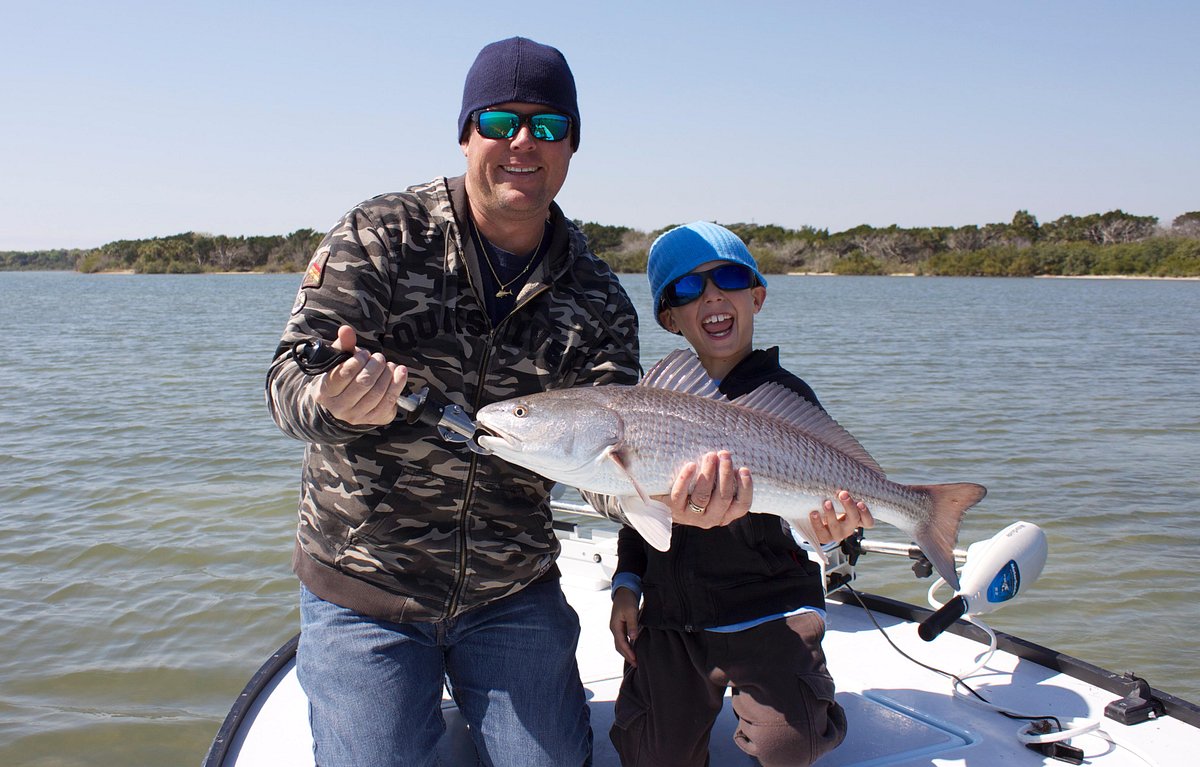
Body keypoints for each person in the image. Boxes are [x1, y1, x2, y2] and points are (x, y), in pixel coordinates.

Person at [264, 37, 641, 767]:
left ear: (571, 148)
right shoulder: (380, 235)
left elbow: (610, 476)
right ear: (467, 133)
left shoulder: (598, 296)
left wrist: (673, 499)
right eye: (500, 122)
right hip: (364, 582)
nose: (523, 142)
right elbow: (285, 384)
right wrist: (337, 401)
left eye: (549, 126)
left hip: (512, 589)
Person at [606, 221, 874, 767]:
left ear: (756, 296)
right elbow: (636, 511)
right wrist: (627, 587)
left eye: (727, 278)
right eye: (685, 290)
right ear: (670, 319)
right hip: (674, 616)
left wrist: (835, 534)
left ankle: (811, 707)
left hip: (771, 612)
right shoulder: (646, 404)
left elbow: (826, 515)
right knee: (653, 756)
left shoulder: (786, 398)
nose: (710, 296)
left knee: (787, 748)